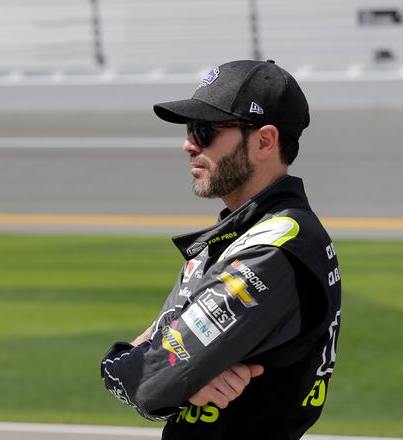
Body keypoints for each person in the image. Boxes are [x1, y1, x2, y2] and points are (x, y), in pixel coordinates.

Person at [100, 59, 341, 439]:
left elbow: (151, 380)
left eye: (204, 130)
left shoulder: (274, 247)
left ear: (264, 141)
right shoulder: (240, 232)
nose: (188, 143)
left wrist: (121, 365)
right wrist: (174, 378)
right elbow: (162, 357)